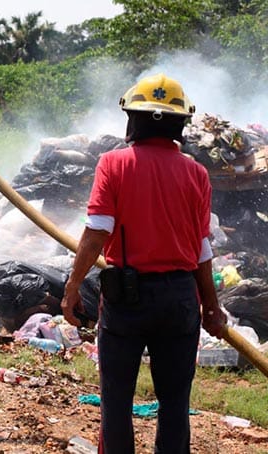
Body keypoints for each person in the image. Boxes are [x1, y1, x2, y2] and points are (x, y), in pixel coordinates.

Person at [60, 74, 227, 453]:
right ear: (180, 124)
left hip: (127, 300)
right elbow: (202, 250)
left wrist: (72, 288)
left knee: (116, 402)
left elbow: (97, 232)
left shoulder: (113, 164)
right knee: (174, 405)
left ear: (132, 119)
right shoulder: (196, 173)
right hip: (181, 299)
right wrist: (211, 307)